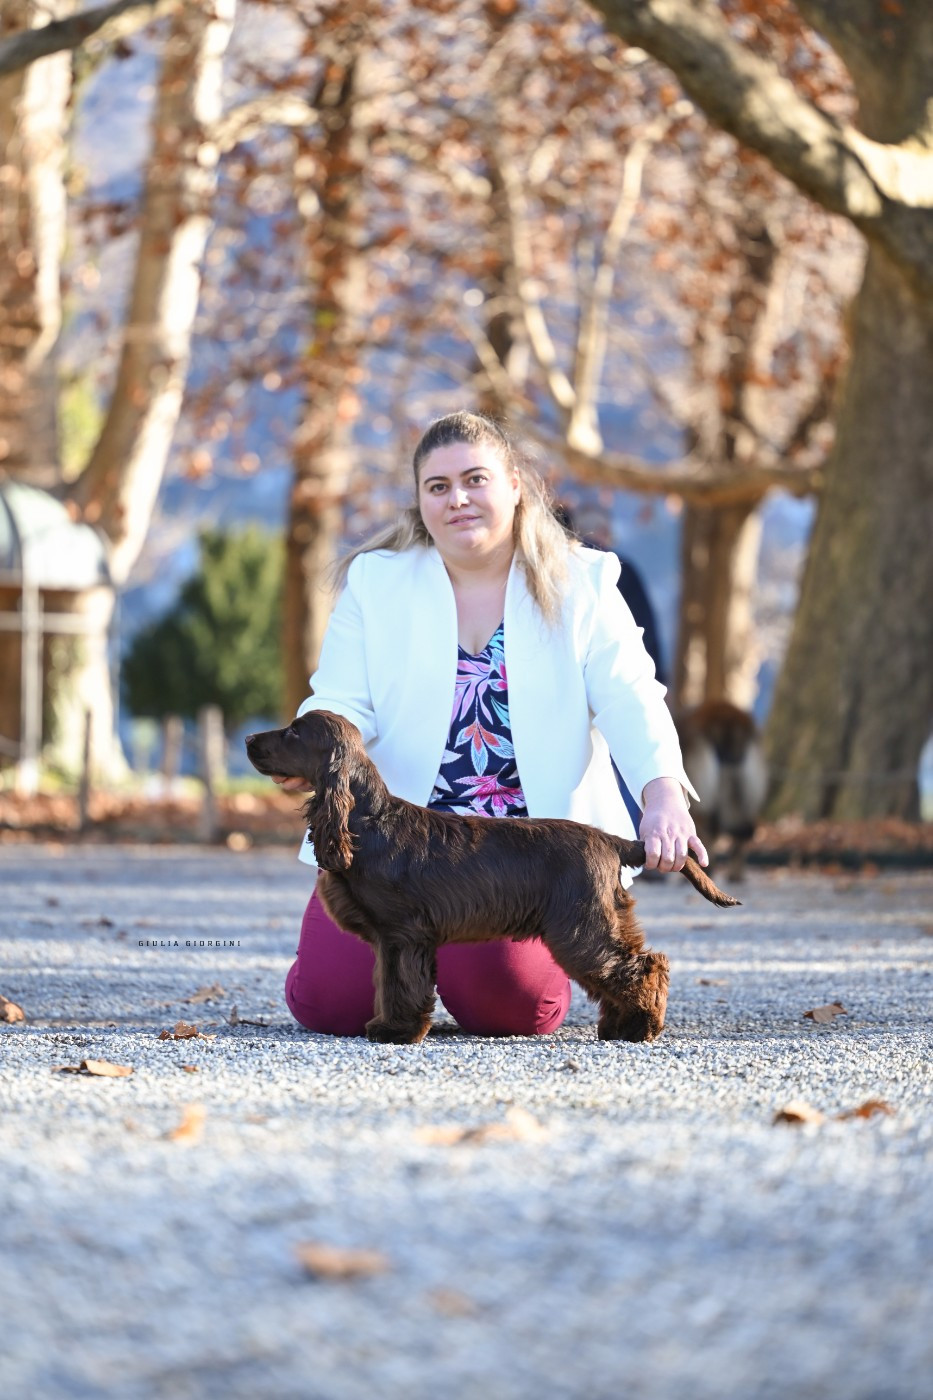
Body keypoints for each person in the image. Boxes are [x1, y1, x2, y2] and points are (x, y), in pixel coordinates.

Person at [269, 411, 706, 1038]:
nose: (459, 500)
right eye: (437, 487)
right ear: (420, 502)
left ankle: (457, 970)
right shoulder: (376, 583)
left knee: (512, 1013)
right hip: (391, 851)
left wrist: (662, 797)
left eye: (476, 479)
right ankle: (382, 964)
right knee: (331, 1008)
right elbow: (341, 700)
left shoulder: (583, 580)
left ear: (516, 485)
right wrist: (309, 754)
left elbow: (630, 695)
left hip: (523, 862)